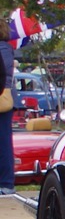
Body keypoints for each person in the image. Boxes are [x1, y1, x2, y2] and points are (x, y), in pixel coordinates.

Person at [0, 37, 15, 195]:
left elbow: (3, 74)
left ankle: (6, 183)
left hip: (2, 99)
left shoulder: (3, 48)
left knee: (3, 142)